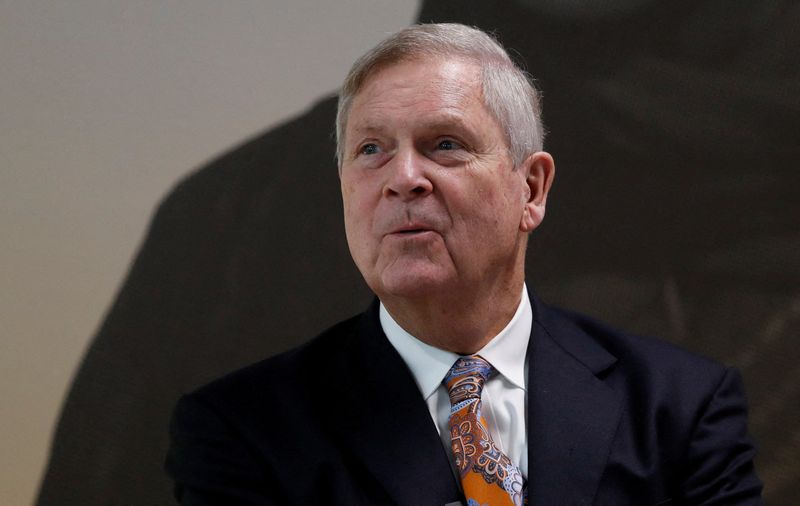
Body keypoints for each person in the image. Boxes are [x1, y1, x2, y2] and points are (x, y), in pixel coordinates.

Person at [165, 23, 762, 505]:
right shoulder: (243, 428)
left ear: (531, 189)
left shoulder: (680, 405)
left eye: (444, 144)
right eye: (371, 150)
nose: (402, 179)